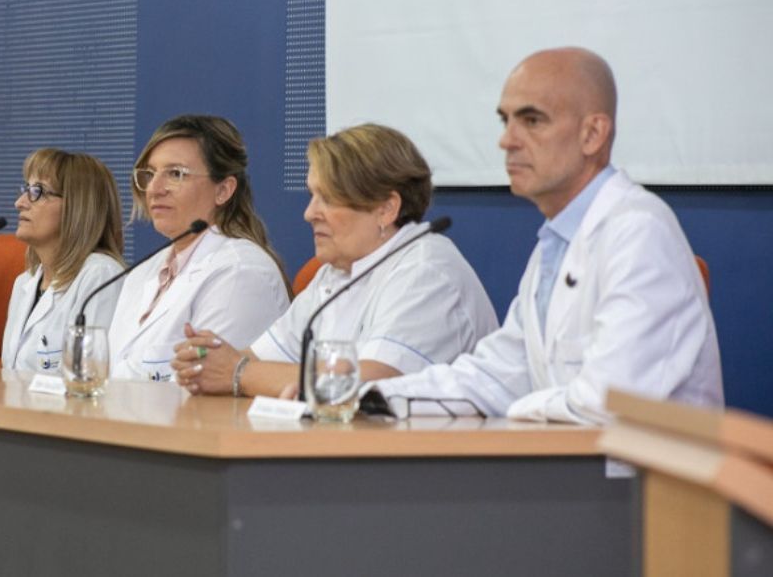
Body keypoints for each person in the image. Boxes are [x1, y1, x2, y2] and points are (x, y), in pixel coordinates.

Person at [371, 47, 723, 424]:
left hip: (648, 479)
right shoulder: (554, 244)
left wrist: (522, 405)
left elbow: (609, 403)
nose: (507, 140)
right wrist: (369, 398)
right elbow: (495, 375)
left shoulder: (638, 232)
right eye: (505, 120)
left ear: (592, 134)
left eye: (532, 121)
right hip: (581, 470)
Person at [171, 124, 498, 397]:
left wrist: (237, 372)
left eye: (327, 198)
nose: (309, 213)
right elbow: (258, 359)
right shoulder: (336, 273)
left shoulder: (426, 270)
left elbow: (368, 383)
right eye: (312, 196)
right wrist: (204, 361)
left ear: (386, 208)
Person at [109, 115, 290, 382]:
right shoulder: (144, 271)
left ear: (223, 190)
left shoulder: (241, 273)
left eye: (175, 174)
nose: (155, 189)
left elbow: (206, 387)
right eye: (149, 174)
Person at [1, 148, 126, 373]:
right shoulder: (24, 283)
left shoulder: (101, 275)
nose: (20, 202)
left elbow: (89, 378)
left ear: (77, 206)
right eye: (26, 189)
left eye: (38, 191)